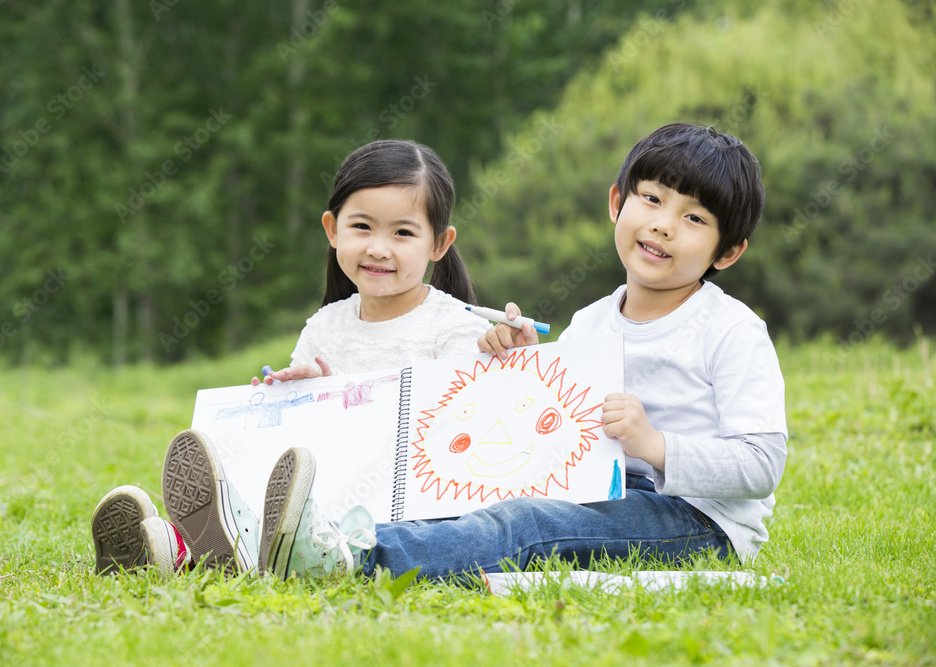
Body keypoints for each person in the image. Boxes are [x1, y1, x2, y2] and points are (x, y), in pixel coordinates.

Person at [258, 122, 789, 581]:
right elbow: (556, 436)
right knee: (487, 496)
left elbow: (762, 464)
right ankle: (291, 534)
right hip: (603, 491)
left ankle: (356, 558)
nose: (663, 224)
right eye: (651, 199)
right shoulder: (592, 321)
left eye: (695, 219)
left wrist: (656, 445)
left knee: (527, 524)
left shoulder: (731, 329)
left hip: (696, 520)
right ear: (616, 203)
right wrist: (524, 366)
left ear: (729, 251)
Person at [91, 139, 491, 575]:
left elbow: (458, 431)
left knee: (294, 525)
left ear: (439, 243)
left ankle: (211, 549)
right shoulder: (325, 325)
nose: (378, 247)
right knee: (273, 497)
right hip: (324, 492)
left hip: (403, 508)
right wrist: (286, 399)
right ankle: (174, 546)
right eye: (362, 227)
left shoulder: (457, 328)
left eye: (403, 232)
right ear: (332, 229)